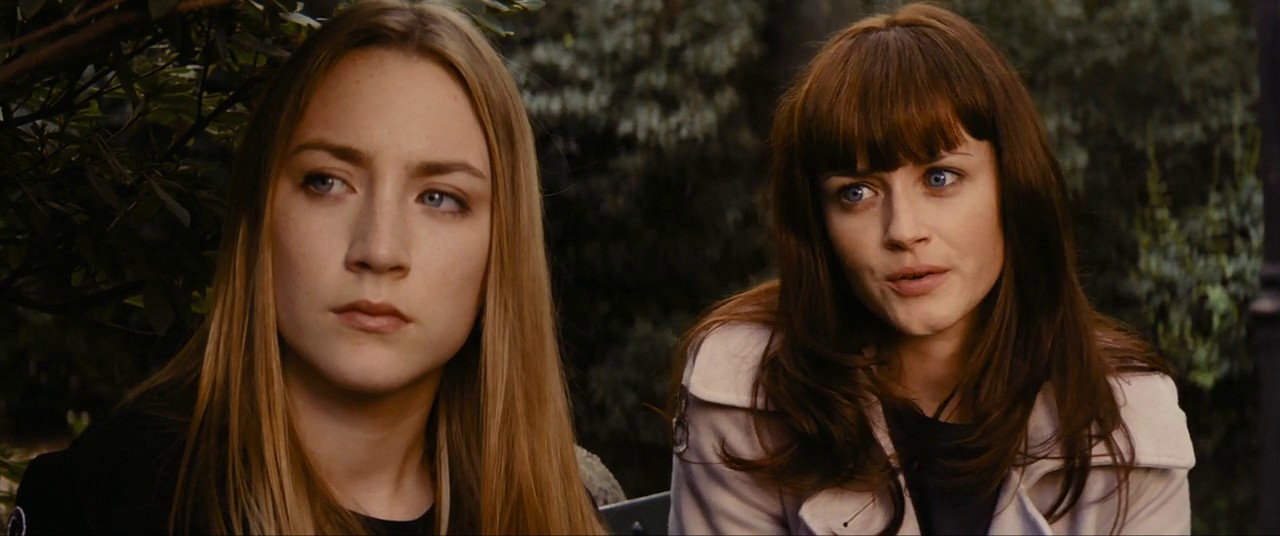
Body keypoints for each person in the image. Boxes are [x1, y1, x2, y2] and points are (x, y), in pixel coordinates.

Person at [7, 1, 604, 534]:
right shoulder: (107, 501)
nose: (379, 249)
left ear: (504, 245)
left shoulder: (552, 512)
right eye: (327, 182)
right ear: (259, 212)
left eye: (439, 198)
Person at [668, 3, 1194, 535]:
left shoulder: (1130, 422)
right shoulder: (743, 391)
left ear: (1012, 186)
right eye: (856, 192)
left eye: (940, 178)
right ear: (817, 222)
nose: (903, 230)